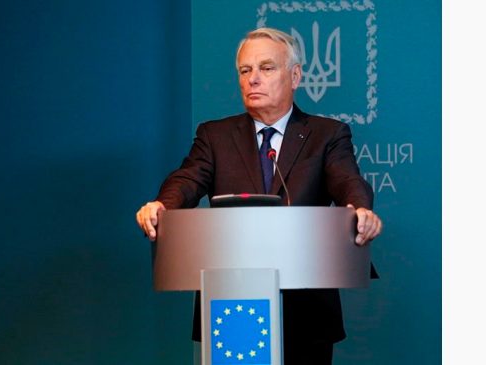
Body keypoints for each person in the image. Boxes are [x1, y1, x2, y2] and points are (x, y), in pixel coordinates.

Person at [136, 27, 382, 364]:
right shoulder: (215, 135)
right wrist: (163, 205)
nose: (253, 79)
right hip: (230, 308)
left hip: (306, 312)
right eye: (245, 70)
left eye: (266, 68)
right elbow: (188, 178)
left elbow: (347, 181)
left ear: (294, 76)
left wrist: (360, 209)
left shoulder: (327, 134)